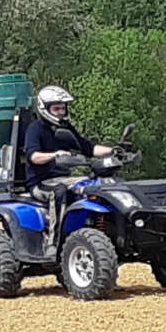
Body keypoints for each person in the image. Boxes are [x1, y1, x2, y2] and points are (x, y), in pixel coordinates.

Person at [24, 85, 113, 244]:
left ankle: (107, 231)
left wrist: (114, 150)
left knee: (100, 185)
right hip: (41, 183)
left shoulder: (66, 128)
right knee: (61, 192)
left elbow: (88, 148)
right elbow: (34, 156)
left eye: (63, 108)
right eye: (56, 109)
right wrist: (55, 154)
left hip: (64, 178)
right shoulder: (35, 129)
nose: (60, 112)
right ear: (45, 108)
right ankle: (55, 242)